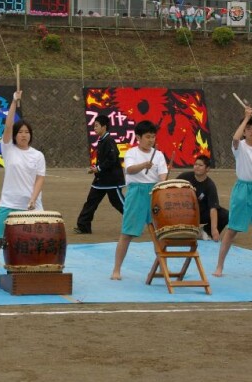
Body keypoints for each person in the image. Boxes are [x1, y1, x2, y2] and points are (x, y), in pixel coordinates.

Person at [0, 90, 45, 283]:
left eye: (27, 132)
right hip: (9, 203)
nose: (24, 135)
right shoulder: (8, 149)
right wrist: (14, 101)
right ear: (14, 135)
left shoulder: (38, 155)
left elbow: (40, 179)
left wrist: (33, 199)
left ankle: (35, 271)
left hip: (31, 206)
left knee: (35, 241)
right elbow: (7, 125)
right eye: (20, 132)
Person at [213, 105, 252, 277]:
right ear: (244, 132)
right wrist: (246, 117)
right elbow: (235, 138)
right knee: (233, 229)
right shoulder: (239, 146)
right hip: (243, 189)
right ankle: (219, 266)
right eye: (248, 129)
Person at [111, 120, 167, 280]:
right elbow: (129, 169)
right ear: (138, 137)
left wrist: (162, 185)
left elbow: (162, 174)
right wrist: (144, 165)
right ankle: (116, 269)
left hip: (154, 192)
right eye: (148, 137)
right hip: (136, 193)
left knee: (159, 233)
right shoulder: (131, 153)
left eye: (153, 137)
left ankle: (163, 268)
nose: (151, 140)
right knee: (127, 233)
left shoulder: (159, 155)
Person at [73, 114, 124, 235]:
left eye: (96, 125)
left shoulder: (109, 140)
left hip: (112, 180)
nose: (94, 128)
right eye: (94, 126)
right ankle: (83, 226)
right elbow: (105, 160)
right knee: (91, 201)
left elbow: (112, 158)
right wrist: (96, 168)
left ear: (104, 127)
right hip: (101, 179)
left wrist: (99, 168)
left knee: (118, 203)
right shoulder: (102, 140)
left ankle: (134, 221)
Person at [178, 155, 229, 241]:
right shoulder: (184, 177)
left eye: (200, 165)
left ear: (207, 169)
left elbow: (213, 208)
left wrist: (214, 230)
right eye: (195, 164)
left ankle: (206, 231)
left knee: (225, 214)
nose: (197, 167)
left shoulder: (210, 185)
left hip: (200, 214)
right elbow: (172, 188)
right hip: (184, 212)